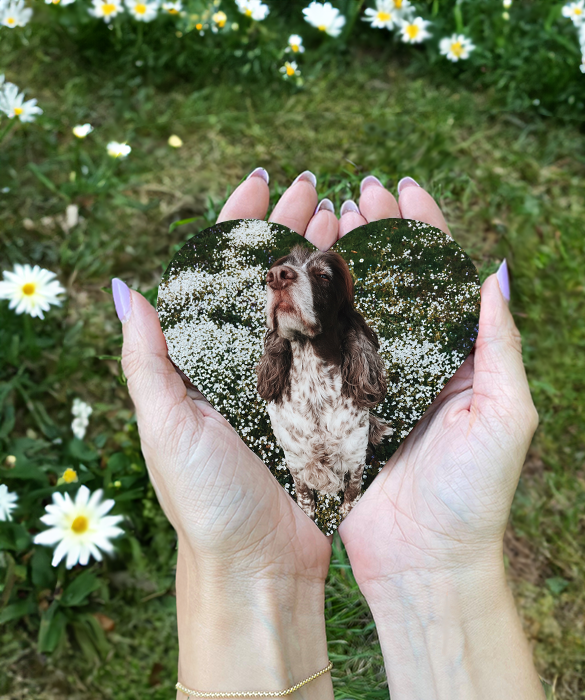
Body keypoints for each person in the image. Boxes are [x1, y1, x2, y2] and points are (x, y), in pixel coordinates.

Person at [111, 168, 546, 700]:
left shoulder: (357, 345)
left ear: (346, 315)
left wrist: (443, 559)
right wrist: (246, 563)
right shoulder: (270, 391)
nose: (283, 278)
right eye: (281, 274)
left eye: (318, 278)